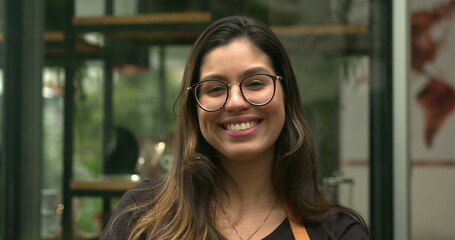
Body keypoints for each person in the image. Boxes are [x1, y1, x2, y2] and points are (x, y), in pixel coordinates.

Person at [100, 16, 370, 240]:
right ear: (194, 109)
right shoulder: (140, 216)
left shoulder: (337, 233)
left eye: (255, 83)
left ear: (285, 93)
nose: (236, 102)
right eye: (215, 88)